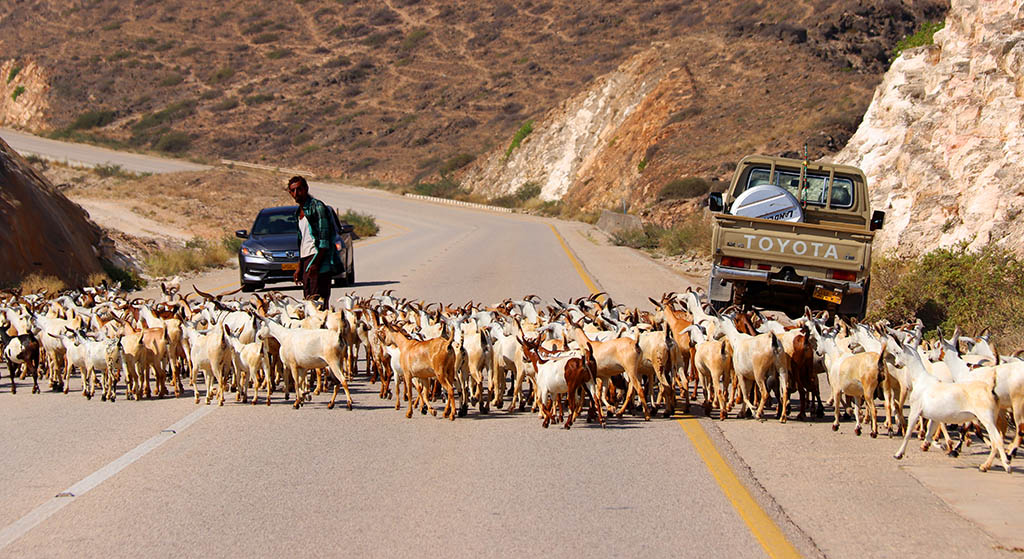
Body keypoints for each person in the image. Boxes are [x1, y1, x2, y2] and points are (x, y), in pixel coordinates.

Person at [286, 176, 340, 305]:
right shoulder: (298, 212)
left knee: (319, 302)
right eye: (293, 191)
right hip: (307, 260)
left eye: (299, 189)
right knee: (308, 301)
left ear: (306, 189)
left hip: (318, 259)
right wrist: (299, 267)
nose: (296, 193)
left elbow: (324, 239)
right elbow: (302, 241)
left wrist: (316, 263)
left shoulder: (317, 207)